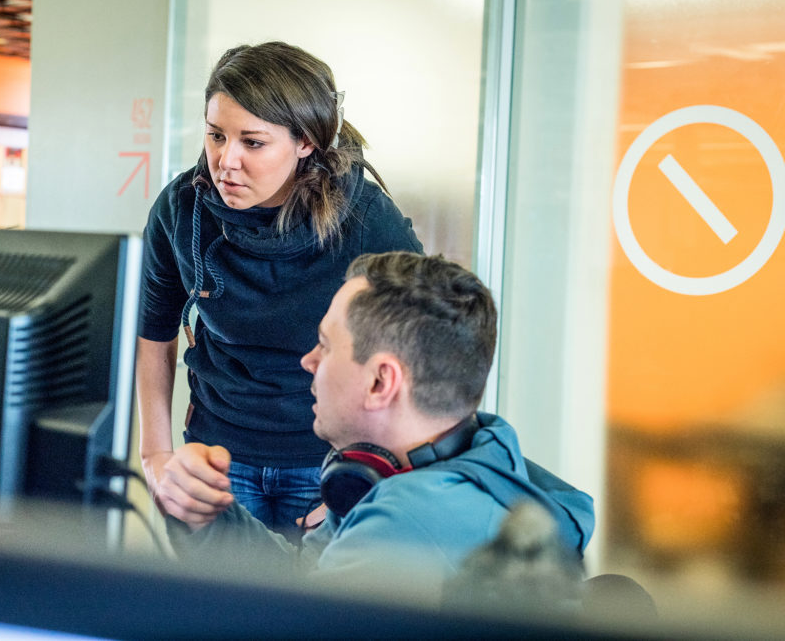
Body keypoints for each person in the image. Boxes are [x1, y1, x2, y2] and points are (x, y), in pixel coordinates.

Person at [155, 252, 595, 600]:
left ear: (381, 382)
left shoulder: (406, 519)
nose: (308, 362)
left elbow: (287, 621)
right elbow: (302, 579)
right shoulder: (475, 458)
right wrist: (206, 516)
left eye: (325, 346)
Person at [136, 42, 423, 535]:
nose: (225, 161)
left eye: (252, 143)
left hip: (325, 461)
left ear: (305, 141)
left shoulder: (366, 219)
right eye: (216, 135)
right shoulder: (181, 209)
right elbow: (154, 336)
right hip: (215, 455)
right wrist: (156, 457)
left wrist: (380, 469)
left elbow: (424, 350)